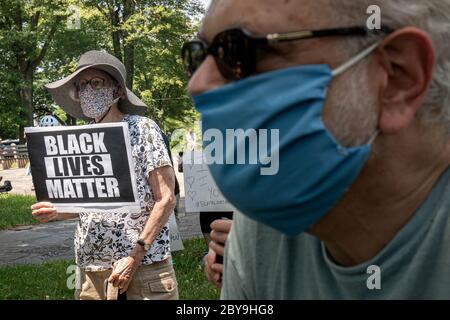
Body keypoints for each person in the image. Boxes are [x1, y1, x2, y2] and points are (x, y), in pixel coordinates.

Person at [185, 0, 450, 299]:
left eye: (239, 50)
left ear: (397, 77)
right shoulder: (266, 224)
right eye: (196, 56)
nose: (197, 83)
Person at [31, 50, 178, 300]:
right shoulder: (80, 138)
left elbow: (165, 198)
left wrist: (135, 254)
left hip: (142, 265)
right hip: (92, 266)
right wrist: (57, 211)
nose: (88, 90)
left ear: (117, 91)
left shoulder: (143, 129)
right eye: (82, 85)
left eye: (96, 83)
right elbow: (92, 203)